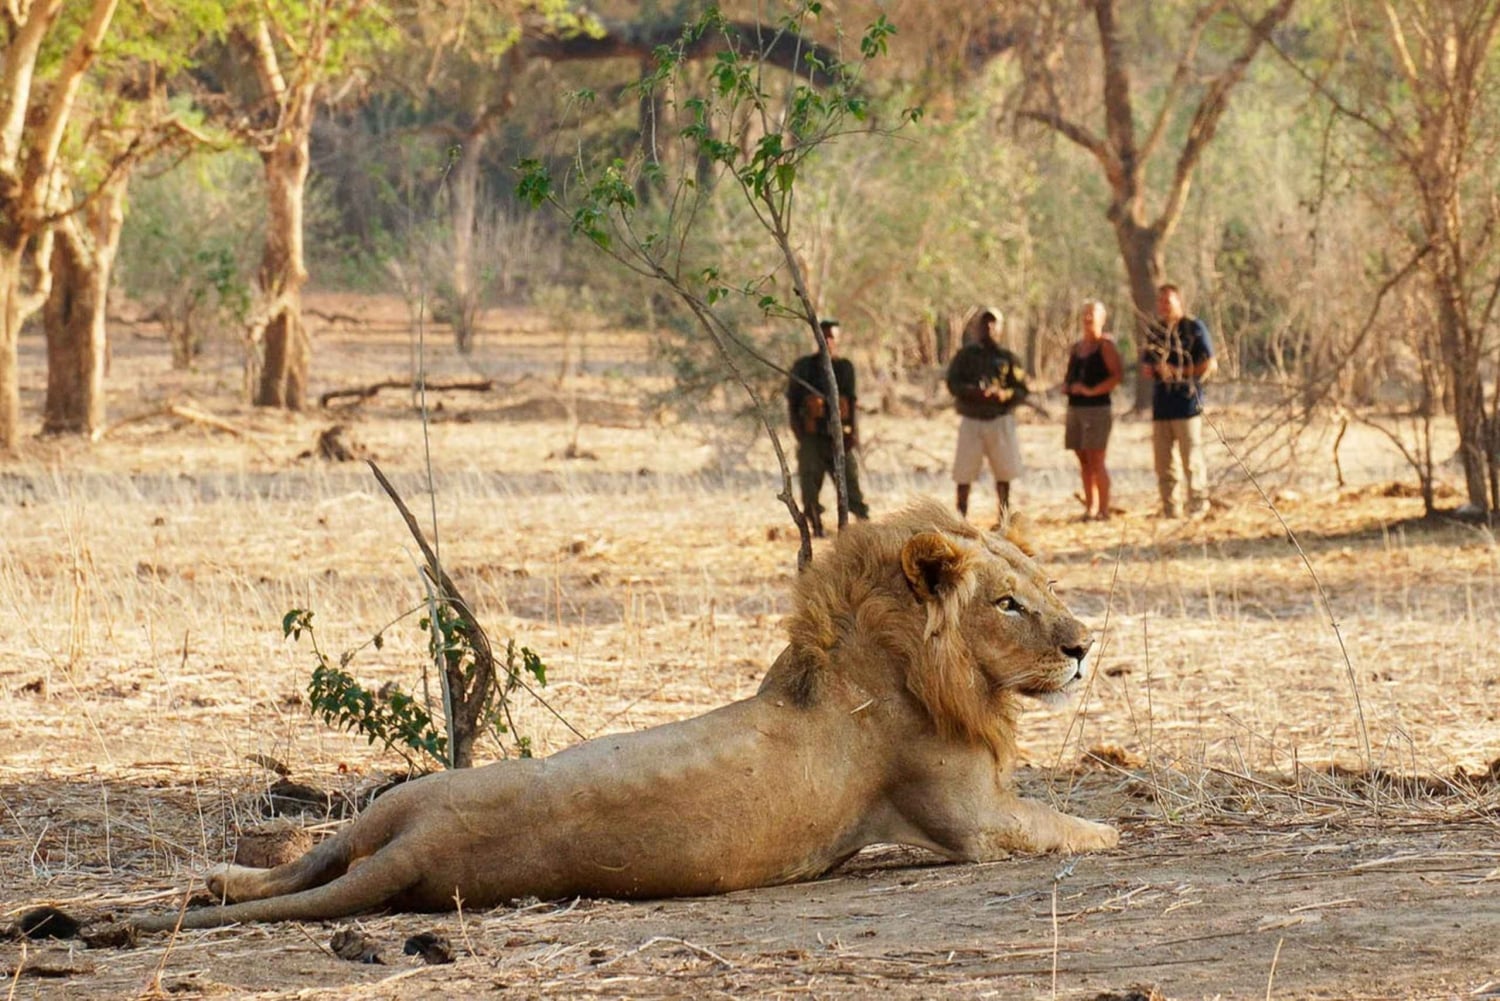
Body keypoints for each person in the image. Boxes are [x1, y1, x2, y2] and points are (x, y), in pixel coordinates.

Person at [785, 319, 870, 537]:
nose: (828, 341)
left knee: (851, 484)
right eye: (824, 336)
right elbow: (792, 404)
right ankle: (816, 528)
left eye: (832, 337)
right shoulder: (803, 367)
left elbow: (850, 404)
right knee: (809, 487)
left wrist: (853, 436)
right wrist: (801, 435)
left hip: (839, 437)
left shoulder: (844, 367)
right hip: (812, 437)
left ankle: (864, 529)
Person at [945, 306, 1028, 520]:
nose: (989, 327)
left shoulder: (1008, 358)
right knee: (964, 471)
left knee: (1004, 472)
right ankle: (961, 517)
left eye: (993, 323)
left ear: (1000, 328)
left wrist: (1003, 394)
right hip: (971, 420)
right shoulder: (965, 356)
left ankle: (1003, 517)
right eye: (984, 322)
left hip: (999, 420)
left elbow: (1021, 389)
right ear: (977, 327)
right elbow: (952, 383)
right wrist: (973, 392)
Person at [1142, 284, 1217, 519]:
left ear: (1179, 301)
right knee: (1164, 463)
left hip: (1187, 405)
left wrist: (1180, 372)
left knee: (1191, 460)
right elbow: (1146, 367)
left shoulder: (1193, 328)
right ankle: (1170, 509)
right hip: (1162, 405)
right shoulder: (1155, 331)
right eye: (1161, 301)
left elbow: (1209, 364)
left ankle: (1198, 507)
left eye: (1169, 301)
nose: (1164, 306)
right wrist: (1158, 370)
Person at [1063, 300, 1123, 521]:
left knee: (1097, 458)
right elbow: (1069, 375)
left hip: (1097, 410)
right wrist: (1068, 387)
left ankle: (1104, 510)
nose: (1088, 318)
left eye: (1093, 314)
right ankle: (1090, 507)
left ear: (1102, 318)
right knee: (1083, 459)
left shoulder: (1105, 346)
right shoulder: (1077, 348)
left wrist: (1091, 391)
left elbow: (1117, 377)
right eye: (1085, 313)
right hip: (1075, 408)